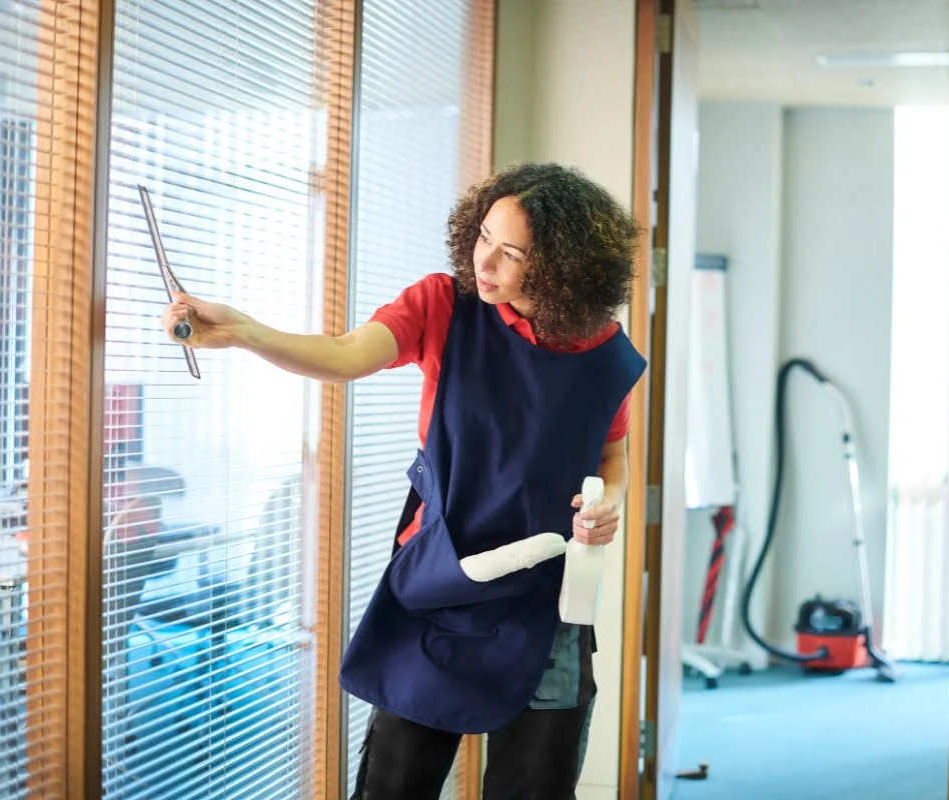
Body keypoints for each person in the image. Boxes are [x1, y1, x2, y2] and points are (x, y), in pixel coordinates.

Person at [160, 162, 648, 800]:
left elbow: (613, 454)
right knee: (395, 784)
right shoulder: (444, 305)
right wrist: (246, 332)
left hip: (546, 591)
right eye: (482, 239)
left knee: (535, 786)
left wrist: (608, 503)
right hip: (440, 575)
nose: (487, 262)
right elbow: (345, 354)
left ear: (562, 265)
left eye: (511, 253)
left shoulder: (605, 354)